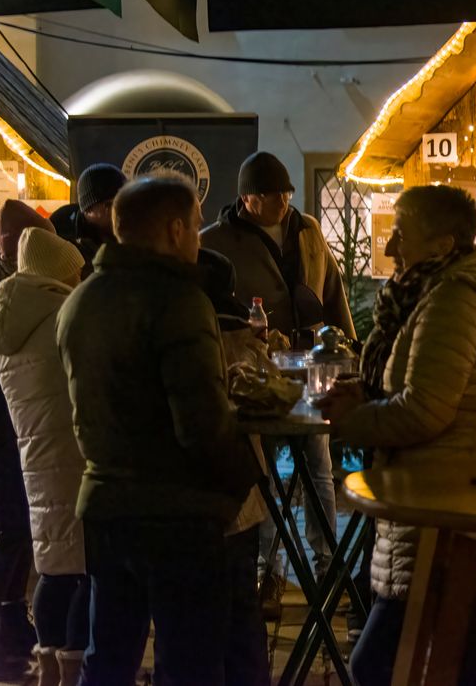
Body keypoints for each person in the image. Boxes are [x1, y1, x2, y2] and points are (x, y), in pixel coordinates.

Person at [317, 184, 476, 686]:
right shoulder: (431, 293)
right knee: (466, 659)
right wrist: (368, 397)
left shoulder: (451, 301)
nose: (390, 247)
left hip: (441, 505)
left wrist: (352, 418)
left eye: (400, 233)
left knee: (382, 662)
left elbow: (425, 409)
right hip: (437, 502)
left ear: (441, 245)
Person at [56, 176, 262, 686]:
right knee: (189, 663)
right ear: (174, 230)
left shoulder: (82, 300)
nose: (199, 238)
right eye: (195, 226)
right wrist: (244, 479)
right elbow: (202, 424)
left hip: (106, 505)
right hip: (178, 515)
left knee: (108, 659)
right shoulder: (178, 302)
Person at [202, 150, 353, 616]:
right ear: (249, 198)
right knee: (261, 474)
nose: (284, 201)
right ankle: (269, 573)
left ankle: (327, 564)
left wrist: (347, 342)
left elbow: (333, 291)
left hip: (315, 364)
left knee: (320, 467)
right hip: (258, 369)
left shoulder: (306, 230)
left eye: (287, 192)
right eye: (274, 195)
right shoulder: (219, 241)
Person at [0, 227, 87, 685]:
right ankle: (67, 671)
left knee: (52, 560)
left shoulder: (9, 316)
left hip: (36, 453)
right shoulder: (61, 315)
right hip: (71, 449)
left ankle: (49, 667)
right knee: (82, 567)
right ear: (59, 276)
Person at [197, 247, 272, 686]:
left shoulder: (182, 331)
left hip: (202, 498)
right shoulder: (243, 341)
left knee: (203, 612)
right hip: (239, 491)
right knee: (241, 606)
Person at [0, 201, 54, 678]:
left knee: (18, 528)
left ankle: (8, 620)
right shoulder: (6, 290)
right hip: (5, 423)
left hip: (15, 423)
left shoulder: (6, 287)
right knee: (12, 527)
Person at [50, 163, 126, 278]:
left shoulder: (133, 232)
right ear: (88, 209)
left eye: (123, 202)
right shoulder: (61, 231)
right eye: (109, 205)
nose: (119, 211)